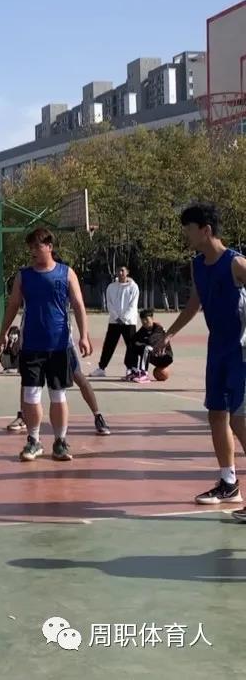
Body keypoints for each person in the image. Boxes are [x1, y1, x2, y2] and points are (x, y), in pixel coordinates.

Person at [161, 204, 246, 507]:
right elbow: (194, 304)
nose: (185, 235)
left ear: (206, 230)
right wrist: (170, 333)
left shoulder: (236, 263)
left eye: (189, 229)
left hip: (241, 351)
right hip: (217, 350)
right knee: (216, 415)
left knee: (239, 419)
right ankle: (229, 483)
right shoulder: (198, 265)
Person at [0, 228, 92, 462]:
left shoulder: (66, 273)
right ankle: (33, 440)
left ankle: (60, 442)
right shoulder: (24, 276)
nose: (32, 251)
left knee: (58, 395)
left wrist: (84, 336)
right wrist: (3, 331)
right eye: (30, 247)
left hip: (59, 345)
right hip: (31, 346)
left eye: (37, 246)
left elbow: (78, 305)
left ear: (49, 247)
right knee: (31, 394)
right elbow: (13, 305)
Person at [90, 266, 140, 377]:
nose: (120, 273)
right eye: (118, 270)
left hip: (129, 322)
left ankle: (131, 368)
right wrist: (116, 317)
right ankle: (101, 368)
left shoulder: (134, 287)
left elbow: (133, 305)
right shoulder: (111, 287)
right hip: (114, 321)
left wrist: (124, 318)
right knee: (109, 344)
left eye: (122, 270)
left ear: (127, 272)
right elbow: (110, 304)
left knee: (131, 345)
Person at [126, 309, 173, 383]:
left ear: (152, 319)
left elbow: (151, 341)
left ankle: (144, 374)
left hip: (165, 357)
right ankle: (134, 371)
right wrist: (136, 343)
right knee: (132, 346)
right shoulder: (143, 329)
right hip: (155, 355)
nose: (145, 322)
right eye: (143, 321)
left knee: (146, 348)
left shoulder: (158, 328)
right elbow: (133, 340)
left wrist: (140, 343)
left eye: (147, 320)